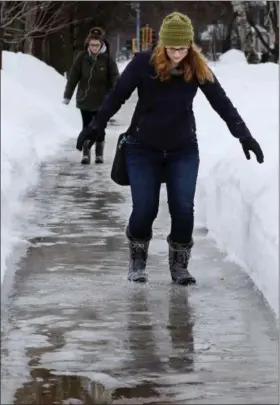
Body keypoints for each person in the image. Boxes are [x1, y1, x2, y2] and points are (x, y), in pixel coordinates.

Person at [76, 12, 264, 284]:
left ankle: (179, 265)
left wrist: (244, 136)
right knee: (145, 209)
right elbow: (118, 96)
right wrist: (96, 126)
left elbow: (221, 102)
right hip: (142, 148)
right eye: (173, 48)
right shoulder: (143, 64)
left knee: (183, 209)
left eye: (183, 47)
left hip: (182, 148)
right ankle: (138, 257)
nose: (178, 53)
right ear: (162, 45)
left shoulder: (197, 66)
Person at [63, 27, 119, 164]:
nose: (94, 48)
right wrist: (67, 96)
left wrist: (116, 95)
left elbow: (115, 78)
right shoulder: (82, 58)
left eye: (97, 45)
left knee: (100, 127)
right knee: (87, 126)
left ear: (101, 45)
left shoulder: (107, 60)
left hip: (102, 100)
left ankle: (99, 153)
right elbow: (73, 78)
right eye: (92, 45)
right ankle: (86, 153)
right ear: (88, 44)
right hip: (85, 99)